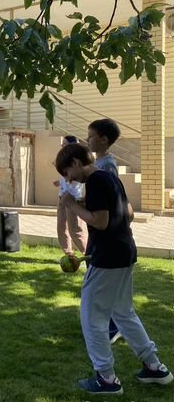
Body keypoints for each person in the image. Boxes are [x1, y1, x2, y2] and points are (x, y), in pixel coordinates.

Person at [56, 142, 173, 394]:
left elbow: (100, 221)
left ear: (75, 163)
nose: (68, 179)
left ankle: (106, 379)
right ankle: (154, 367)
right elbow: (127, 214)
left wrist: (70, 204)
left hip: (108, 259)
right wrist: (82, 202)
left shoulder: (95, 181)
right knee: (122, 312)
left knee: (92, 317)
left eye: (66, 173)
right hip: (124, 252)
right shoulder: (109, 177)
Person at [87, 118, 122, 344]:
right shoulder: (99, 163)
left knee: (100, 281)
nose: (87, 139)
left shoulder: (106, 166)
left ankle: (112, 326)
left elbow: (109, 198)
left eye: (90, 136)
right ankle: (111, 323)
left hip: (105, 234)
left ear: (104, 140)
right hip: (98, 231)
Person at [53, 136, 87, 257]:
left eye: (65, 144)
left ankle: (88, 255)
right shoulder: (64, 159)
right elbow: (66, 176)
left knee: (76, 230)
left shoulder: (77, 160)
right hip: (63, 196)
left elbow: (77, 178)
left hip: (74, 198)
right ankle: (68, 254)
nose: (62, 146)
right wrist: (59, 181)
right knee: (62, 227)